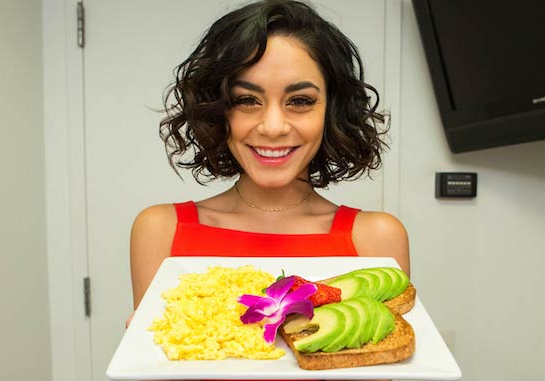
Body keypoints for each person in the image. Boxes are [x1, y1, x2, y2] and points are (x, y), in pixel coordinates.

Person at [130, 0, 409, 343]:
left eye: (300, 101)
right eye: (247, 100)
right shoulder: (159, 230)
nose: (273, 127)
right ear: (218, 111)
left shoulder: (378, 237)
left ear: (332, 111)